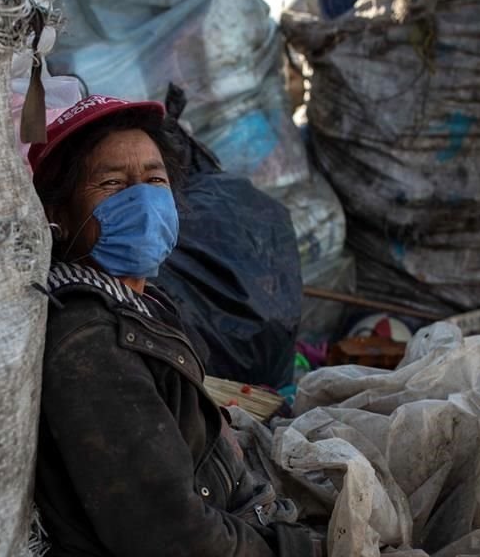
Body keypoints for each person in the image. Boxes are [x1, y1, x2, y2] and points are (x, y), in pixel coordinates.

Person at [30, 95, 322, 557]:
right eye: (112, 183)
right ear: (58, 216)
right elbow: (175, 537)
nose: (143, 200)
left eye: (155, 180)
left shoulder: (140, 305)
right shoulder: (91, 341)